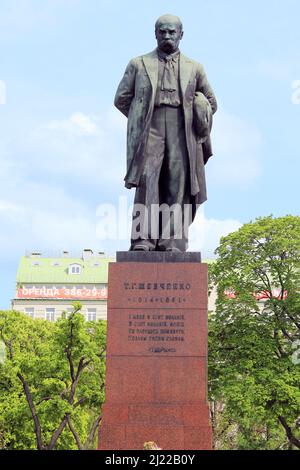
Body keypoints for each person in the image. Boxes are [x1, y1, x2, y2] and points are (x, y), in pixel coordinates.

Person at [114, 14, 217, 252]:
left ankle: (173, 241)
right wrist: (140, 117)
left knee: (177, 183)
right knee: (147, 181)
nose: (167, 36)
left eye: (172, 32)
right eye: (163, 32)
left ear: (181, 35)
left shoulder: (195, 67)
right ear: (155, 34)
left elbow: (211, 102)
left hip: (182, 127)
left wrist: (199, 106)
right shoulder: (138, 64)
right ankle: (143, 240)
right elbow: (121, 99)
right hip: (150, 126)